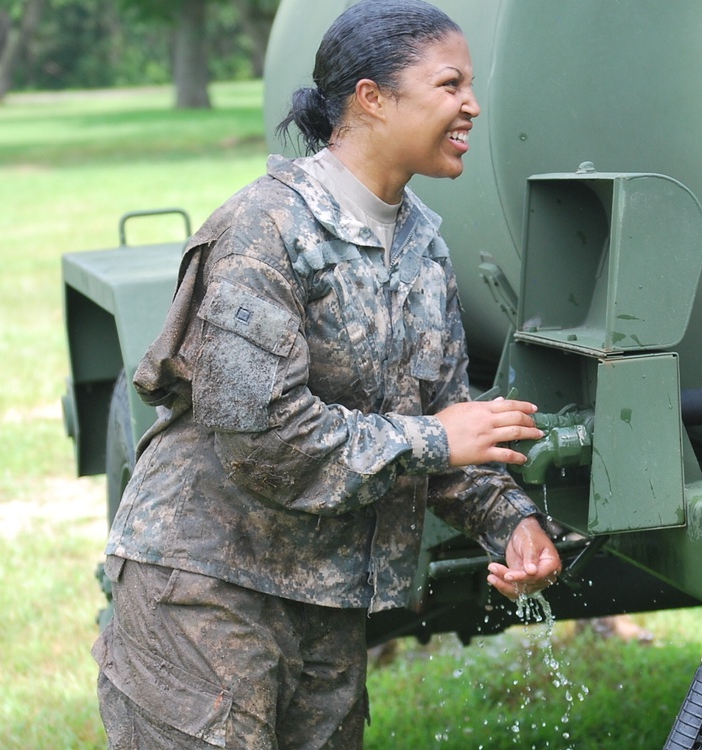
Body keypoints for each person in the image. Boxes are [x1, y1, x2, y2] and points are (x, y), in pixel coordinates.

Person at [91, 1, 562, 747]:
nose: (472, 105)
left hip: (326, 600)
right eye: (450, 85)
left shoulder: (423, 244)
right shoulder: (263, 230)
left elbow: (444, 424)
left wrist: (515, 526)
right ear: (371, 98)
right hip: (204, 590)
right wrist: (437, 442)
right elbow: (265, 441)